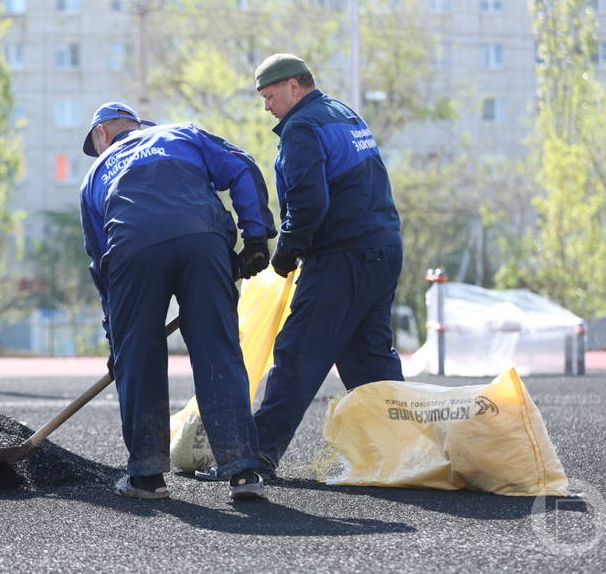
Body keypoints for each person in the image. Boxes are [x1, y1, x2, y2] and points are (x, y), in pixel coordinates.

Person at [79, 101, 276, 501]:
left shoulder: (96, 173)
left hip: (133, 248)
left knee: (140, 357)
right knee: (218, 349)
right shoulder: (181, 134)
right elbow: (242, 166)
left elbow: (101, 264)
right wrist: (255, 236)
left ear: (101, 136)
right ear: (140, 126)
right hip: (202, 241)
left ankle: (147, 476)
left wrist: (118, 341)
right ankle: (242, 470)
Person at [251, 53, 405, 474]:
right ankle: (403, 454)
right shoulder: (343, 113)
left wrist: (284, 255)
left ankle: (257, 455)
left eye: (270, 96)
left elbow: (309, 202)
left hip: (342, 256)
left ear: (294, 86)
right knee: (370, 361)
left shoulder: (302, 126)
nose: (268, 106)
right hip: (383, 249)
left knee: (298, 353)